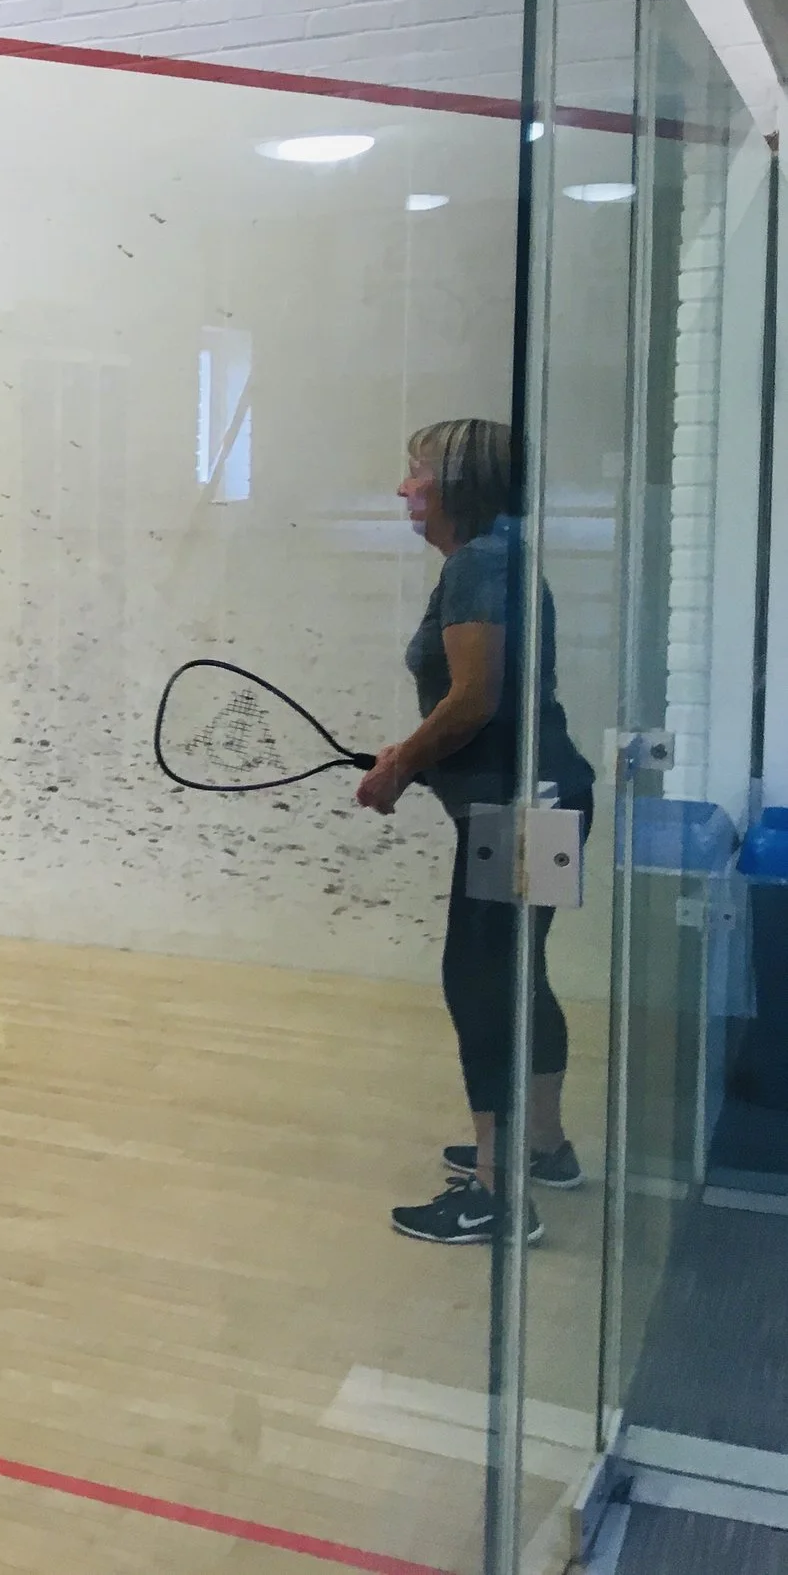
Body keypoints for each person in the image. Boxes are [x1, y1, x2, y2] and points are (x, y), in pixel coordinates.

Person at [356, 418, 593, 1245]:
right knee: (516, 973)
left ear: (454, 484)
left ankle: (495, 1195)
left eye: (415, 470)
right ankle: (542, 1146)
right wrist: (415, 755)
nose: (403, 488)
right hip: (543, 797)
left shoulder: (481, 562)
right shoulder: (495, 558)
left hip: (519, 810)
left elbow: (473, 700)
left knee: (482, 980)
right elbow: (482, 706)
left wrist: (398, 766)